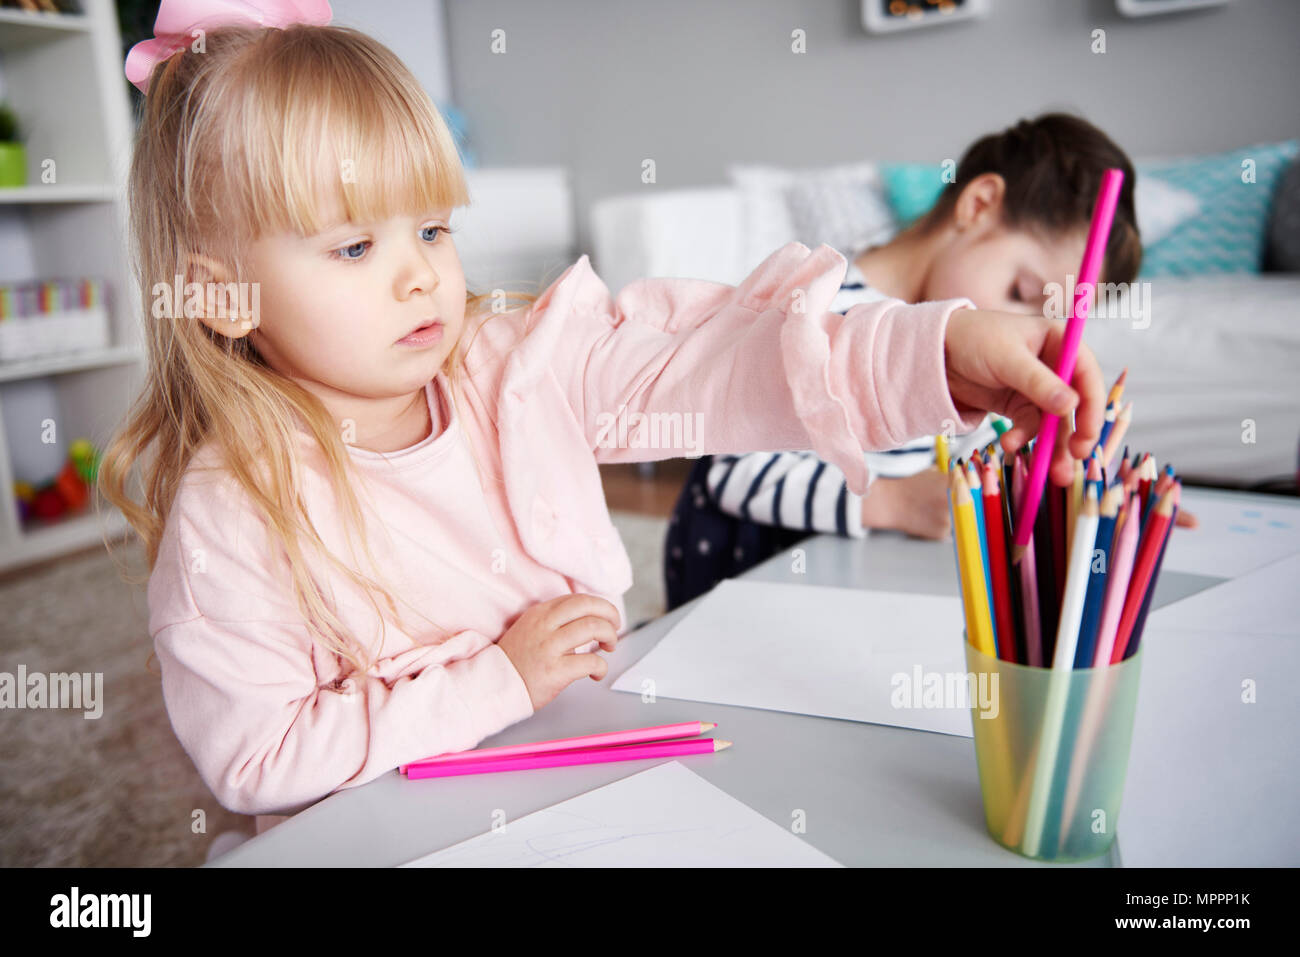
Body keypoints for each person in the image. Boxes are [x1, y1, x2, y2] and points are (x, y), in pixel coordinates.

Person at [98, 10, 1106, 830]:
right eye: (356, 247)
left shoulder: (514, 369)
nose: (422, 275)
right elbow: (256, 759)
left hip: (583, 783)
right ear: (222, 296)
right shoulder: (233, 516)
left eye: (435, 228)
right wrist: (496, 681)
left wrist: (935, 350)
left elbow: (715, 358)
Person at [665, 113, 1145, 612]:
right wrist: (891, 502)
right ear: (978, 205)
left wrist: (1093, 511)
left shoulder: (972, 362)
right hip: (749, 584)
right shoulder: (817, 305)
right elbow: (731, 476)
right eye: (1021, 292)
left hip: (865, 589)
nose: (1017, 327)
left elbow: (965, 467)